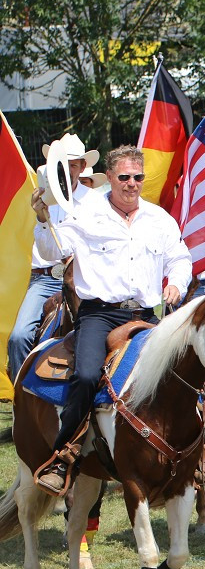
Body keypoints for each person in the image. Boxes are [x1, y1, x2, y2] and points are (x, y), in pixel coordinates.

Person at [32, 145, 192, 496]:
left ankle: (199, 451)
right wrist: (44, 221)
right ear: (111, 179)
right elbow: (53, 250)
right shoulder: (88, 213)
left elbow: (180, 257)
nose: (132, 184)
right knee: (87, 374)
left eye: (138, 177)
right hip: (100, 314)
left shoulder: (159, 218)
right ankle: (64, 454)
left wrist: (177, 285)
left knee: (191, 372)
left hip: (148, 315)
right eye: (124, 177)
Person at [7, 133, 100, 382]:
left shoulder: (96, 201)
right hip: (43, 280)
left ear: (82, 167)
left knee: (96, 332)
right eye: (63, 164)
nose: (68, 170)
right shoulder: (39, 195)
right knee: (19, 337)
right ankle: (23, 397)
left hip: (81, 277)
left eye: (73, 164)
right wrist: (39, 215)